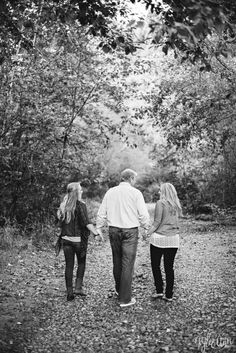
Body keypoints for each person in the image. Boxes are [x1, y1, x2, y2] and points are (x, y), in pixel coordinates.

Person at [96, 169, 150, 308]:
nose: (135, 181)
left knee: (117, 261)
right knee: (128, 263)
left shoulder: (110, 192)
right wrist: (146, 228)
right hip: (130, 231)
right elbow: (143, 214)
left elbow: (102, 212)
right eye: (134, 179)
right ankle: (125, 299)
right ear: (131, 178)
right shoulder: (136, 193)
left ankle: (119, 290)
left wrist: (99, 228)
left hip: (113, 230)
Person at [57, 182, 103, 301]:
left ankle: (69, 292)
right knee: (81, 263)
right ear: (76, 192)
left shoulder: (63, 205)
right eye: (80, 190)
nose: (82, 192)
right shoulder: (80, 205)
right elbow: (86, 222)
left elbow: (59, 224)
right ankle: (78, 288)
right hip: (79, 241)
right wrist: (96, 233)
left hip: (66, 240)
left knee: (69, 266)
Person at [147, 182, 182, 302]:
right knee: (169, 267)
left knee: (155, 265)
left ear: (164, 191)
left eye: (160, 190)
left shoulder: (160, 203)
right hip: (173, 239)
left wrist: (147, 233)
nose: (159, 192)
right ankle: (169, 294)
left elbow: (156, 222)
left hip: (159, 239)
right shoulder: (176, 205)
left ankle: (159, 291)